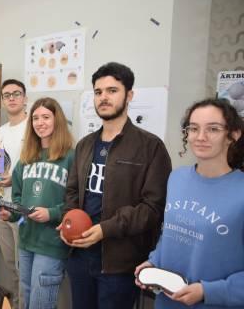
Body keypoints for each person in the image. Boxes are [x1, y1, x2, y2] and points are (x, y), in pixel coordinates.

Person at [60, 62, 172, 309]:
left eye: (112, 90)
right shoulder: (85, 145)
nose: (103, 97)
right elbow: (72, 191)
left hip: (119, 263)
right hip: (79, 257)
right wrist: (70, 221)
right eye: (98, 92)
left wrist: (105, 229)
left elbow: (153, 208)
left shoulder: (150, 147)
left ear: (129, 95)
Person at [135, 99, 244, 308]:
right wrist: (153, 262)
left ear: (233, 135)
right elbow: (169, 236)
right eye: (194, 129)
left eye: (213, 129)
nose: (200, 137)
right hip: (165, 303)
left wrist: (208, 291)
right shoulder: (177, 178)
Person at [0, 97, 74, 309]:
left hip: (51, 242)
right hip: (26, 240)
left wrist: (52, 213)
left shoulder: (70, 157)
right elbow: (18, 197)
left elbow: (75, 202)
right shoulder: (26, 157)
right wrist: (11, 213)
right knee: (25, 300)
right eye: (36, 118)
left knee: (40, 304)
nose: (40, 123)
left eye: (46, 117)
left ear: (57, 120)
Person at [0, 79, 28, 308]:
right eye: (7, 95)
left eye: (16, 94)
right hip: (1, 202)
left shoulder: (33, 127)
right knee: (9, 261)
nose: (12, 98)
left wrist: (14, 179)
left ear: (25, 98)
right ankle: (15, 302)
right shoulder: (0, 131)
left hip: (22, 204)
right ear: (2, 101)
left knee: (22, 262)